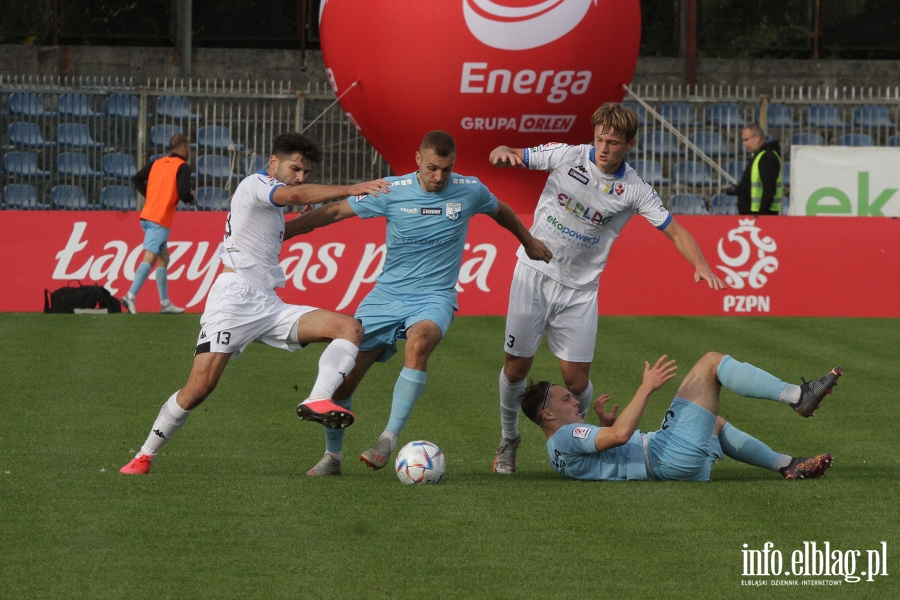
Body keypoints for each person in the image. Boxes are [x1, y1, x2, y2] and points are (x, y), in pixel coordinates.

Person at [119, 133, 392, 475]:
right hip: (234, 299)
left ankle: (316, 398)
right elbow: (292, 194)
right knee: (199, 387)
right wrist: (350, 188)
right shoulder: (255, 183)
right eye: (296, 168)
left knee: (349, 328)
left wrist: (342, 205)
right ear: (273, 163)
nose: (300, 177)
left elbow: (300, 223)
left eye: (305, 172)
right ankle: (144, 456)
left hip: (268, 303)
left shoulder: (271, 210)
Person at [283, 130, 552, 476]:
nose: (439, 177)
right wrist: (286, 231)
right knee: (344, 381)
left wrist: (528, 241)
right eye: (432, 168)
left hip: (434, 297)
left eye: (446, 169)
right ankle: (332, 458)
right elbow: (335, 212)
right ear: (417, 160)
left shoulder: (470, 190)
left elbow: (501, 211)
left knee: (420, 342)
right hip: (385, 297)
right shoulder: (390, 191)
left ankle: (387, 439)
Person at [488, 102, 727, 474]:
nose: (603, 148)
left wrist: (700, 264)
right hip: (533, 273)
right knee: (517, 369)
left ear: (629, 144)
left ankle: (590, 440)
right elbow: (515, 154)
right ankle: (509, 439)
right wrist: (503, 152)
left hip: (579, 291)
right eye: (600, 139)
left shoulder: (634, 189)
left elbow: (674, 229)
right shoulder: (566, 155)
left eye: (613, 142)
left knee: (575, 380)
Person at [521, 354, 842, 482]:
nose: (574, 399)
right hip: (664, 457)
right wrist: (645, 388)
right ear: (547, 414)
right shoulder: (566, 435)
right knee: (711, 364)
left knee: (713, 423)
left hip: (663, 462)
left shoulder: (556, 450)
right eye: (565, 399)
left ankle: (788, 464)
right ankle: (799, 396)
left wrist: (605, 425)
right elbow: (619, 438)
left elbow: (603, 454)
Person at [122, 134, 195, 314]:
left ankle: (165, 303)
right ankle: (130, 296)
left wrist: (152, 196)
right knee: (151, 257)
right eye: (189, 147)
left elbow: (137, 178)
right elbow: (183, 191)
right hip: (160, 220)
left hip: (146, 216)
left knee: (164, 258)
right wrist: (190, 197)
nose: (190, 150)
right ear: (184, 148)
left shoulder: (158, 162)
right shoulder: (183, 167)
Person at [730, 123, 783, 216]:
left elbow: (769, 189)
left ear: (757, 137)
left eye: (746, 140)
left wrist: (760, 215)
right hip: (755, 215)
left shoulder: (767, 157)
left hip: (760, 216)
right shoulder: (759, 156)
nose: (744, 144)